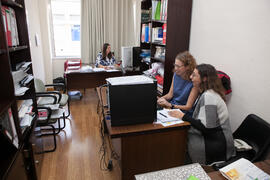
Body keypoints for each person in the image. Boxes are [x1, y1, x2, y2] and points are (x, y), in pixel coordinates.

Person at [169, 64, 236, 165]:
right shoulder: (206, 93)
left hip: (215, 145)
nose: (191, 77)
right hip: (214, 139)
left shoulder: (209, 96)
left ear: (204, 79)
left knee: (178, 140)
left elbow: (206, 127)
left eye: (194, 75)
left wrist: (182, 116)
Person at [157, 51, 199, 116]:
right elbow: (170, 95)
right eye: (175, 65)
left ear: (187, 67)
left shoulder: (194, 81)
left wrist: (170, 105)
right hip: (171, 107)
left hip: (183, 113)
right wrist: (160, 99)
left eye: (178, 66)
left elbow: (188, 107)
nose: (175, 68)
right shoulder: (176, 75)